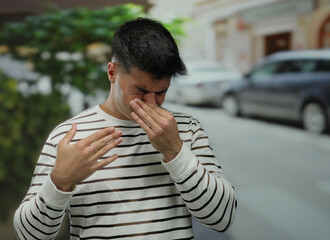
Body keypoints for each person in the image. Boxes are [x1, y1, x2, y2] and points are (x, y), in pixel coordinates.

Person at [14, 18, 237, 240]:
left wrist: (175, 151)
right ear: (112, 72)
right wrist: (60, 181)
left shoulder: (186, 129)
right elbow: (29, 236)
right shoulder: (68, 136)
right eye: (140, 90)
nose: (151, 102)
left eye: (161, 92)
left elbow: (221, 218)